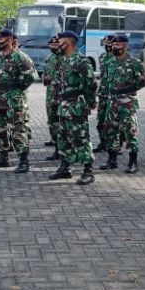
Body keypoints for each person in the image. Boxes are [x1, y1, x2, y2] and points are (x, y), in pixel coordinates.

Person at [49, 30, 98, 185]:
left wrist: (90, 102)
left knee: (80, 138)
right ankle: (65, 167)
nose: (57, 45)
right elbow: (57, 83)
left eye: (60, 42)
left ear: (68, 43)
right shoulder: (63, 61)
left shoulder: (81, 61)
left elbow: (91, 83)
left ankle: (88, 171)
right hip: (63, 106)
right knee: (63, 138)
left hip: (76, 105)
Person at [99, 33, 145, 174]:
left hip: (127, 102)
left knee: (130, 132)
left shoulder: (135, 63)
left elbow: (144, 80)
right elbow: (106, 82)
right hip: (112, 101)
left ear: (125, 46)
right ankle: (112, 160)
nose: (114, 47)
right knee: (111, 131)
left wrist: (131, 90)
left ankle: (133, 162)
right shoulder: (110, 62)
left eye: (118, 45)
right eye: (113, 45)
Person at [0, 29, 36, 172]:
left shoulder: (20, 57)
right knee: (0, 128)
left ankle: (23, 160)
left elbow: (29, 76)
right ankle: (3, 157)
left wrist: (17, 88)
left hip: (15, 100)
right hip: (0, 99)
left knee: (19, 129)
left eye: (1, 40)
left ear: (10, 40)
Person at [93, 35, 115, 153]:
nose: (108, 45)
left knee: (114, 122)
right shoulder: (102, 57)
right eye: (106, 42)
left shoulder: (118, 58)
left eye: (110, 43)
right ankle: (103, 142)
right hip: (103, 94)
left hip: (114, 95)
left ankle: (117, 144)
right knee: (101, 120)